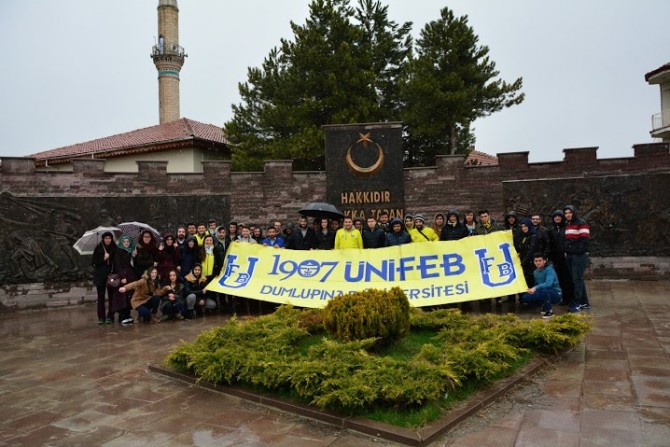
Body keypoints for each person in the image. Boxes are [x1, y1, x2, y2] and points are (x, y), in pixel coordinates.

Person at [564, 205, 591, 312]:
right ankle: (585, 302)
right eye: (566, 213)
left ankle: (577, 302)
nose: (567, 215)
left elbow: (585, 241)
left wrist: (575, 251)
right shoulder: (568, 224)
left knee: (577, 279)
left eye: (569, 212)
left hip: (579, 256)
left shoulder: (581, 223)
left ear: (574, 213)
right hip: (570, 255)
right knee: (577, 279)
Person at [520, 253, 563, 318]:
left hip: (556, 293)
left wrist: (535, 288)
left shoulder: (549, 270)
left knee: (544, 290)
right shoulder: (535, 272)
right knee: (525, 297)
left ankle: (549, 311)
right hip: (543, 291)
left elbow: (548, 284)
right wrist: (531, 290)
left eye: (540, 261)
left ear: (544, 261)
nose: (538, 263)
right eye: (536, 261)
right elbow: (537, 284)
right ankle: (544, 305)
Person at [548, 210, 574, 307]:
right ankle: (565, 298)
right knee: (561, 279)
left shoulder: (567, 227)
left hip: (566, 257)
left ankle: (572, 297)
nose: (557, 218)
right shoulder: (552, 229)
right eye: (555, 216)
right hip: (557, 258)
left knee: (569, 278)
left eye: (559, 216)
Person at [91, 231, 116, 324]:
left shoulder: (114, 248)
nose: (108, 240)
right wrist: (104, 259)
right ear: (103, 239)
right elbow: (94, 262)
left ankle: (110, 316)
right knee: (101, 298)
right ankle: (101, 317)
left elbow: (117, 261)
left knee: (111, 297)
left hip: (111, 276)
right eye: (106, 238)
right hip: (100, 276)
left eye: (109, 238)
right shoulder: (98, 248)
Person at [113, 234, 137, 324]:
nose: (126, 243)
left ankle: (128, 314)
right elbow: (118, 265)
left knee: (129, 295)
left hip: (130, 276)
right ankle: (122, 316)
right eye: (125, 242)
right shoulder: (118, 251)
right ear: (121, 242)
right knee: (123, 296)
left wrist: (134, 256)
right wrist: (122, 276)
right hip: (123, 277)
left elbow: (132, 265)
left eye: (128, 242)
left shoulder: (130, 251)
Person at [515, 218, 538, 288]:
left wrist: (523, 262)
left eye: (525, 226)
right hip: (525, 263)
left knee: (531, 282)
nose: (524, 228)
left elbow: (531, 250)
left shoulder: (533, 236)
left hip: (530, 264)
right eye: (522, 227)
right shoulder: (524, 236)